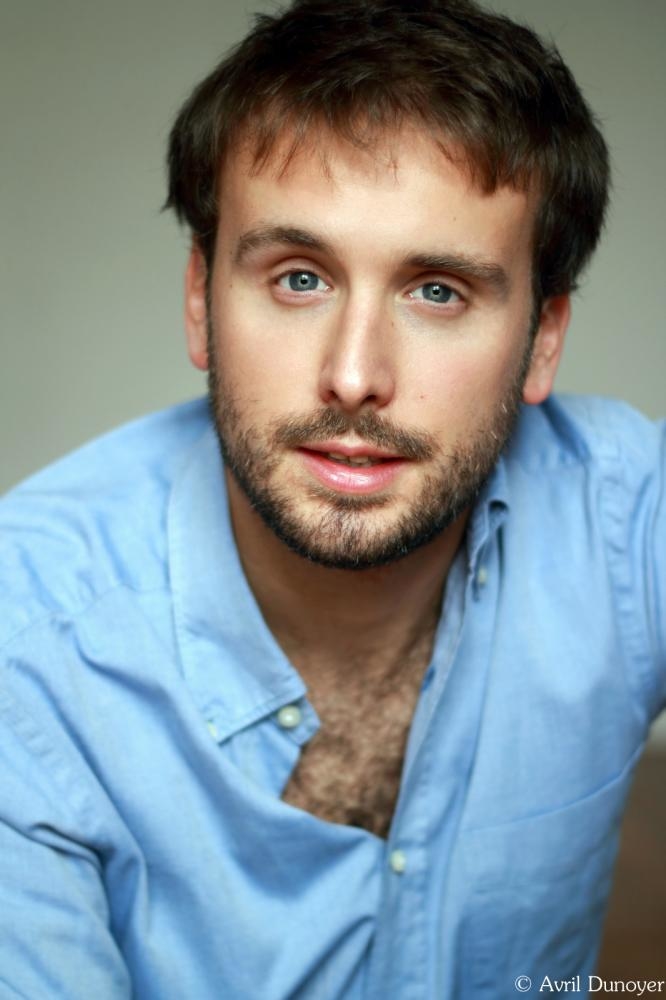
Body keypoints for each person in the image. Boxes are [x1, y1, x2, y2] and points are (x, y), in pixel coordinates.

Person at [0, 0, 663, 996]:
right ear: (200, 300)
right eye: (299, 278)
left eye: (437, 291)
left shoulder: (620, 521)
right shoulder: (24, 649)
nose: (354, 376)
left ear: (543, 340)